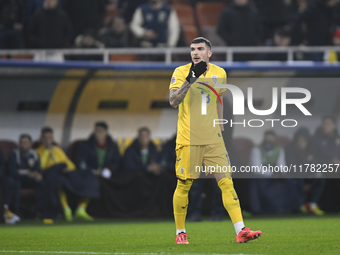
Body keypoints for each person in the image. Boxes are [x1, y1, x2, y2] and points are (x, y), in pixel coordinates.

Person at [169, 37, 261, 244]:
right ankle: (180, 233)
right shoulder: (180, 72)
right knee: (184, 185)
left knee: (227, 182)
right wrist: (189, 80)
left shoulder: (220, 73)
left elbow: (219, 101)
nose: (195, 52)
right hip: (188, 138)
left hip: (213, 140)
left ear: (209, 53)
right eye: (193, 49)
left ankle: (241, 230)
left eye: (200, 49)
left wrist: (220, 130)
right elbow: (173, 101)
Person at [36, 127, 96, 223]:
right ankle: (66, 210)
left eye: (50, 137)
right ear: (41, 138)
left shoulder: (57, 149)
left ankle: (81, 209)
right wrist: (47, 151)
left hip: (65, 173)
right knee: (58, 181)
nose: (48, 140)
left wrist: (68, 168)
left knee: (90, 179)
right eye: (45, 137)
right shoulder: (38, 151)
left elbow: (69, 163)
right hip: (51, 175)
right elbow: (41, 166)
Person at [248, 130, 295, 215]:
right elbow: (256, 168)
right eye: (267, 139)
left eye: (271, 139)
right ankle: (258, 210)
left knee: (289, 180)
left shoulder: (279, 149)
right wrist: (271, 173)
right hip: (261, 176)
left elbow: (282, 165)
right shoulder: (256, 149)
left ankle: (288, 208)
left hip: (275, 176)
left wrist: (280, 173)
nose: (269, 141)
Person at [285, 127, 325, 215]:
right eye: (299, 140)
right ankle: (300, 205)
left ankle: (312, 204)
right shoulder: (290, 149)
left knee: (321, 178)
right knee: (298, 180)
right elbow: (292, 167)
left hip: (309, 174)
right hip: (296, 175)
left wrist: (313, 173)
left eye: (304, 140)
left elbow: (315, 164)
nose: (302, 142)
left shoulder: (313, 149)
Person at [7, 134, 42, 221]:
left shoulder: (34, 154)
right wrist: (28, 174)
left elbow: (37, 169)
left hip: (29, 179)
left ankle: (40, 211)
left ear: (30, 144)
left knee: (43, 182)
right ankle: (15, 211)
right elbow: (12, 172)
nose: (23, 145)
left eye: (25, 143)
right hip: (18, 179)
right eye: (21, 142)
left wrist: (38, 175)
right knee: (14, 182)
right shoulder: (14, 154)